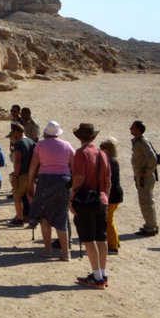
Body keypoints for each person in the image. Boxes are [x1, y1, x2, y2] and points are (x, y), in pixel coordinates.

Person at [71, 123, 112, 289]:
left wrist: (72, 198)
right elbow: (108, 180)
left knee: (89, 239)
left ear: (80, 137)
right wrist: (105, 197)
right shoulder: (102, 153)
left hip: (85, 200)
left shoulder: (81, 153)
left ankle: (96, 277)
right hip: (101, 199)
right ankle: (102, 273)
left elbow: (79, 178)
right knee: (101, 238)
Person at [27, 120, 74, 260]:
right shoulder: (67, 145)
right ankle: (66, 253)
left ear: (46, 133)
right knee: (61, 216)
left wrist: (30, 184)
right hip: (64, 181)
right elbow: (74, 167)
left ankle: (48, 250)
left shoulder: (40, 145)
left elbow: (33, 166)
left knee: (44, 216)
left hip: (45, 181)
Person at [129, 120, 160, 236]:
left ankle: (150, 227)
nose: (130, 129)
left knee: (146, 202)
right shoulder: (139, 141)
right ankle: (151, 225)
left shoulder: (142, 142)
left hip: (145, 178)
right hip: (143, 177)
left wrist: (145, 172)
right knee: (148, 201)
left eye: (132, 127)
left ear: (138, 129)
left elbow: (153, 158)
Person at [8, 121, 35, 226]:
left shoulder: (19, 143)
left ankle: (19, 218)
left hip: (22, 174)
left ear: (16, 132)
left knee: (17, 195)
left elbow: (18, 162)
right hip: (31, 173)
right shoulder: (31, 141)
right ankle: (34, 218)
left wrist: (15, 176)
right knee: (30, 195)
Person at [100, 137, 123, 254]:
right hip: (115, 194)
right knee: (110, 219)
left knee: (109, 221)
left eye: (102, 148)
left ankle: (113, 246)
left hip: (112, 195)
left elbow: (109, 181)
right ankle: (115, 242)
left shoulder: (110, 162)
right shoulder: (113, 161)